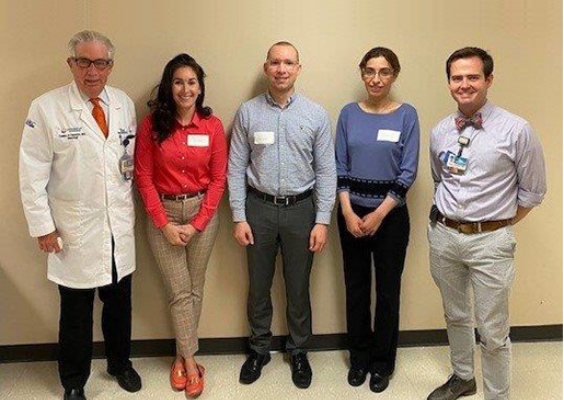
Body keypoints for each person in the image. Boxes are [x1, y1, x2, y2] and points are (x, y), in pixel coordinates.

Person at [19, 30, 141, 400]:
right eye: (84, 61)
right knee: (76, 313)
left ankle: (119, 363)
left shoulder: (123, 104)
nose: (93, 71)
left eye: (100, 62)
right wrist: (43, 227)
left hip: (117, 225)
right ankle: (73, 381)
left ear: (111, 66)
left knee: (119, 305)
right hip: (73, 230)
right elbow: (31, 171)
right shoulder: (46, 108)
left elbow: (126, 162)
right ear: (70, 64)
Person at [427, 47, 546, 400]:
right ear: (449, 82)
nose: (464, 85)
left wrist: (496, 225)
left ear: (489, 80)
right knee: (455, 314)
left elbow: (534, 191)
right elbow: (440, 179)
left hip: (490, 242)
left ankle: (498, 396)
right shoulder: (440, 131)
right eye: (456, 78)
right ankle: (463, 377)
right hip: (444, 236)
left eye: (472, 77)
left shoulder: (516, 129)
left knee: (493, 331)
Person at [228, 41, 336, 389]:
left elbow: (326, 172)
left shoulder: (316, 114)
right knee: (258, 285)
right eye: (275, 62)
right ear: (266, 68)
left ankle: (299, 350)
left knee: (298, 285)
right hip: (257, 209)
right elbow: (235, 168)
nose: (282, 69)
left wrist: (322, 220)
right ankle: (259, 349)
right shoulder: (247, 112)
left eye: (289, 62)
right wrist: (238, 215)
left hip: (300, 211)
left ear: (299, 69)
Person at [134, 53, 227, 398]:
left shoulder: (212, 126)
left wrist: (199, 222)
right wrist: (164, 224)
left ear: (200, 87)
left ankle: (180, 356)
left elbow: (219, 180)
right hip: (164, 213)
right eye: (178, 82)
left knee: (195, 288)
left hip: (204, 212)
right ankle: (191, 364)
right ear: (168, 86)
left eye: (192, 82)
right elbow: (143, 178)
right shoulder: (151, 125)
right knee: (179, 291)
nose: (185, 89)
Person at [335, 47, 420, 393]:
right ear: (361, 73)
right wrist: (348, 212)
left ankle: (382, 363)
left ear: (395, 75)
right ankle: (359, 358)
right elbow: (339, 166)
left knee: (387, 292)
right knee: (355, 290)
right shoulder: (348, 114)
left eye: (384, 71)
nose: (376, 78)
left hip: (391, 219)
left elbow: (408, 171)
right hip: (350, 216)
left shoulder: (407, 116)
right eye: (370, 71)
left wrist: (379, 214)